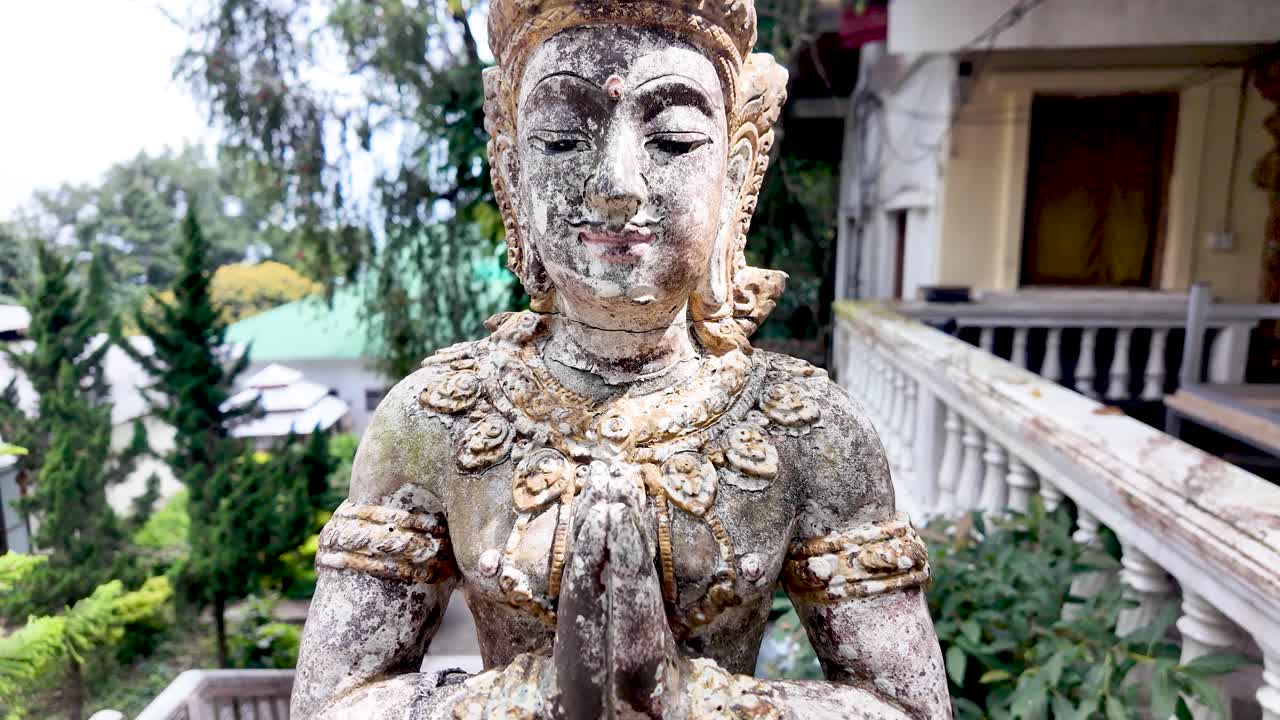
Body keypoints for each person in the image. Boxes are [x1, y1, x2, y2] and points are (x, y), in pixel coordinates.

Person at [291, 1, 949, 717]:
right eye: (564, 139)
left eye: (672, 140)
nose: (616, 184)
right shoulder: (433, 419)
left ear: (735, 175)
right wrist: (544, 694)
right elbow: (331, 703)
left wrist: (682, 698)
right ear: (511, 174)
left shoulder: (811, 430)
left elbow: (908, 707)